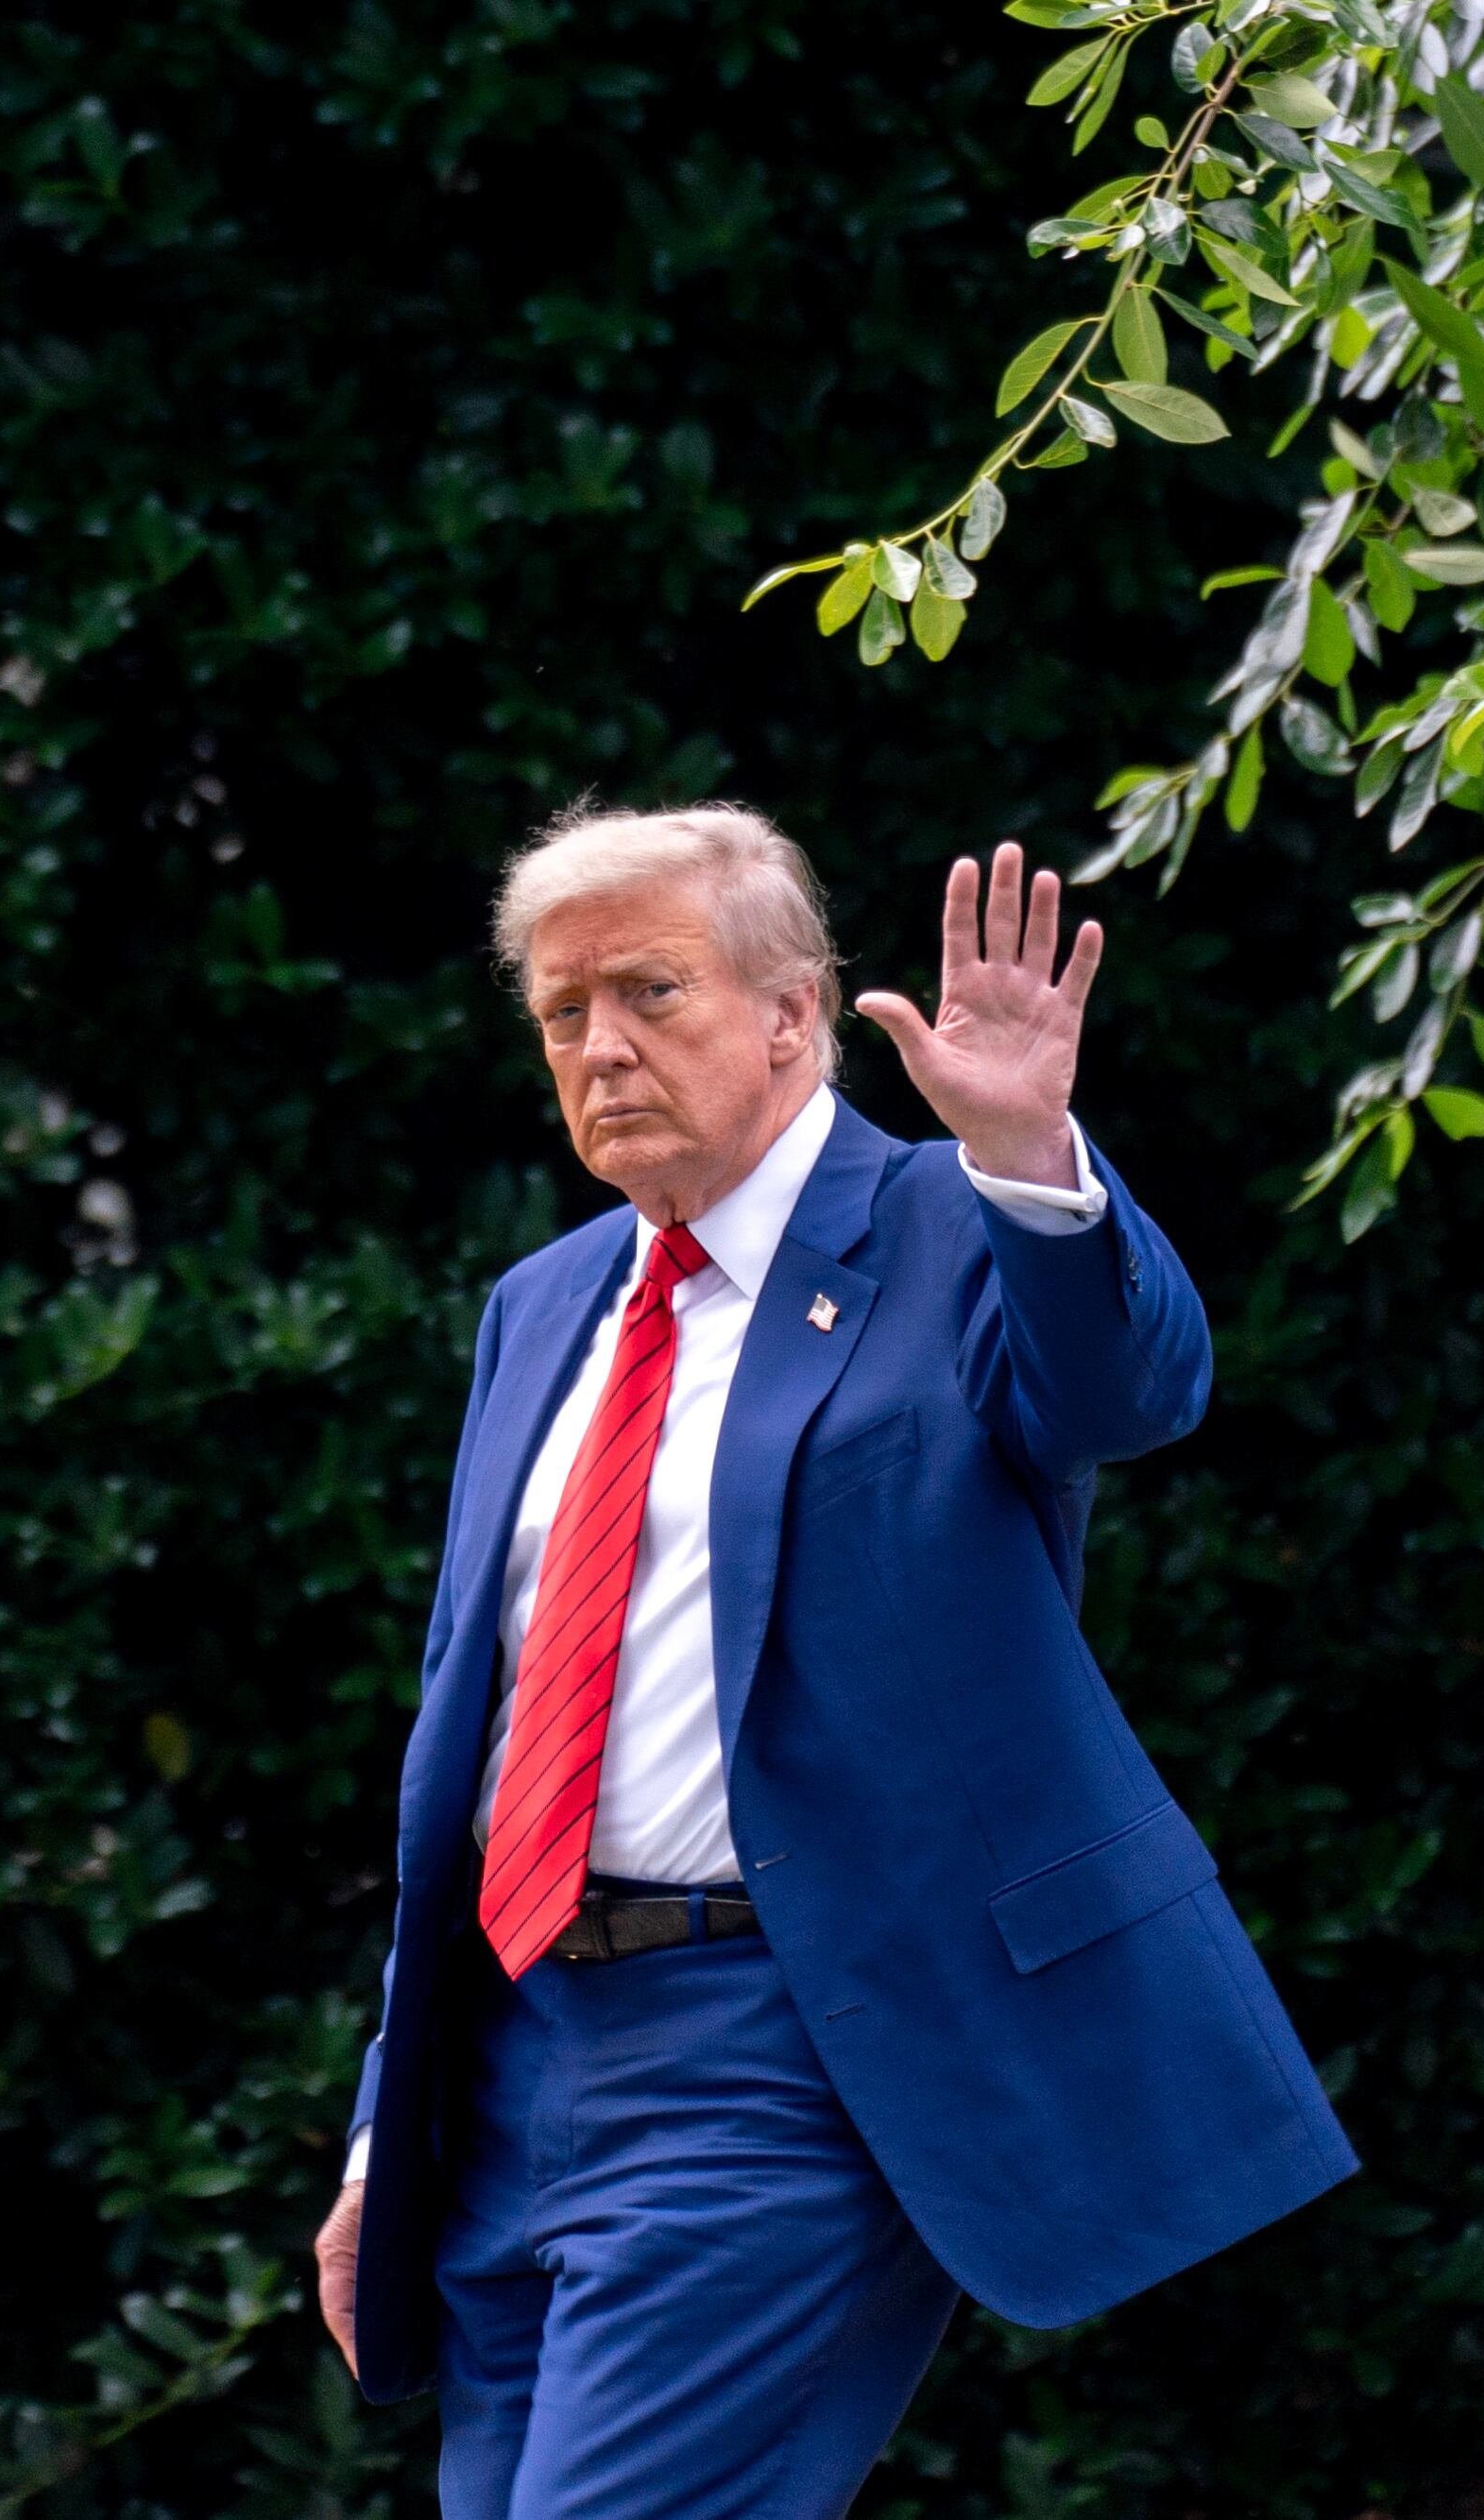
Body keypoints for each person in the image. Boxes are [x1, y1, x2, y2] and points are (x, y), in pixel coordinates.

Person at [309, 804, 1354, 2519]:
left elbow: (1126, 1392)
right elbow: (478, 1747)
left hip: (782, 2050)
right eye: (563, 1014)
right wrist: (387, 2119)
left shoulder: (949, 1226)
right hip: (513, 2065)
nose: (602, 1048)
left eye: (652, 990)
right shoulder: (544, 1304)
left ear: (795, 1013)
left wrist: (1031, 1154)